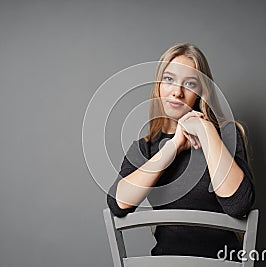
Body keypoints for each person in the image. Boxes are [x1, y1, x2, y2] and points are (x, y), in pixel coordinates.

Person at [106, 43, 255, 260]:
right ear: (158, 85)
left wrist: (205, 130)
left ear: (201, 93)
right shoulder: (145, 147)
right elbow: (119, 203)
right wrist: (174, 146)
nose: (177, 92)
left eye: (190, 83)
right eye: (169, 79)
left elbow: (238, 204)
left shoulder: (227, 136)